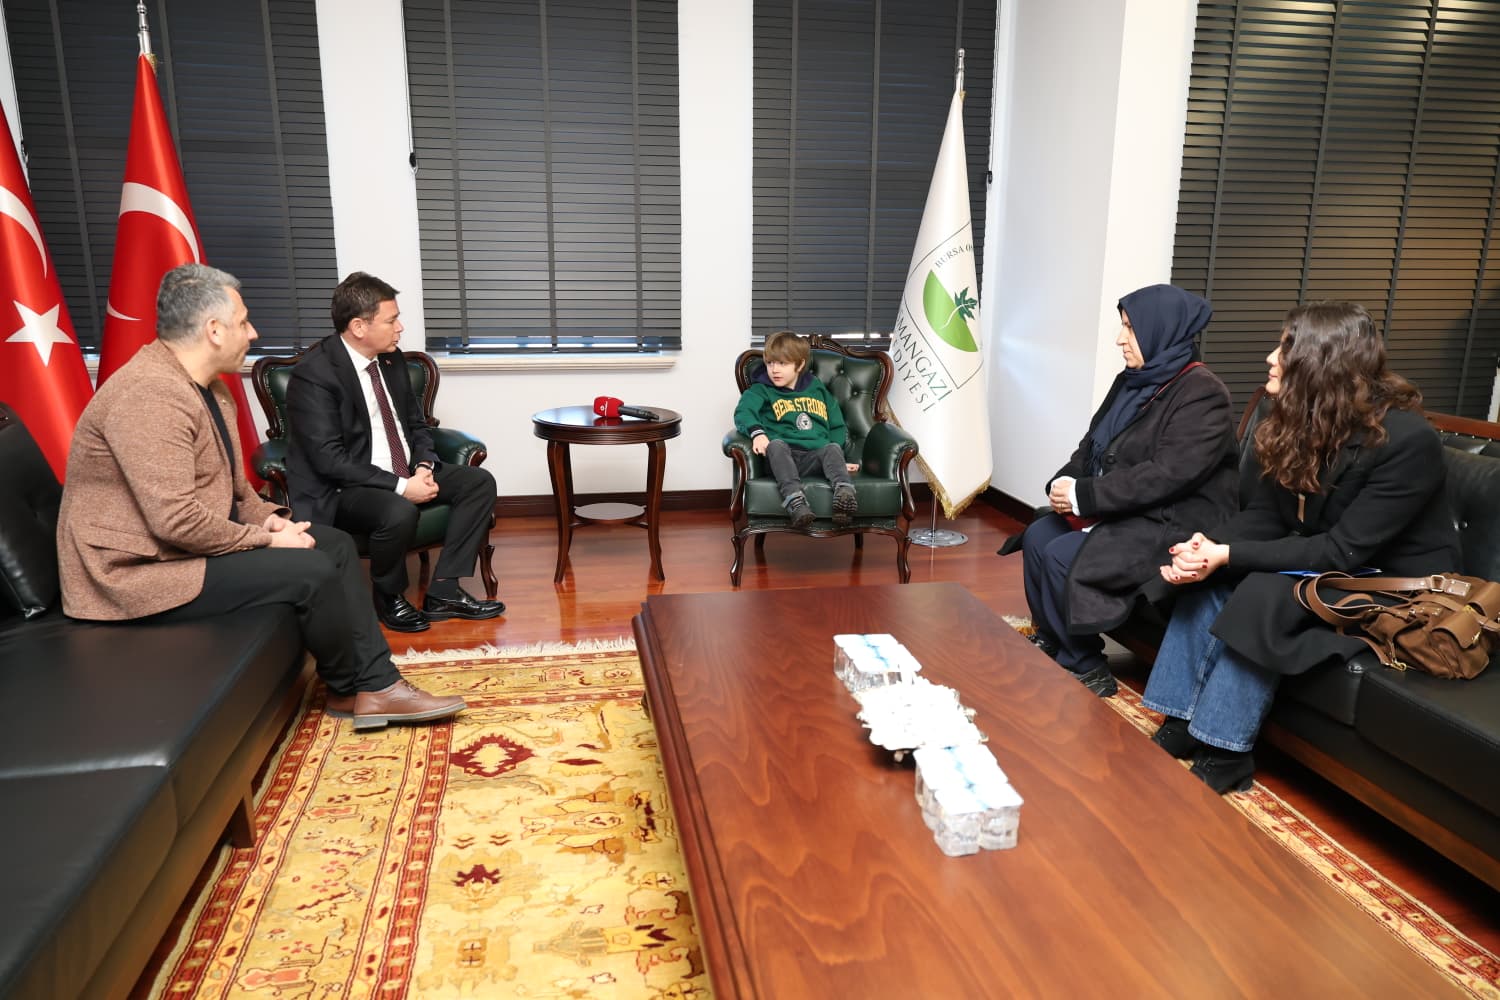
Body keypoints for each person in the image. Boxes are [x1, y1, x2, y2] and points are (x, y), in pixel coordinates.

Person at [56, 263, 465, 731]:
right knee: (312, 568)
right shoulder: (151, 397)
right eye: (244, 322)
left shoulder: (211, 390)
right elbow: (175, 521)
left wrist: (272, 519)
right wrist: (268, 540)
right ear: (214, 330)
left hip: (177, 550)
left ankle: (358, 688)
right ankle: (374, 686)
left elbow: (235, 491)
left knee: (331, 544)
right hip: (133, 572)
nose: (253, 333)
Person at [1142, 301, 1459, 793]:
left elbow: (1342, 552)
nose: (1271, 358)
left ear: (1322, 363)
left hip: (1394, 585)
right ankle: (1182, 719)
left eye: (1285, 350)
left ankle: (1226, 751)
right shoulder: (1308, 418)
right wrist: (1210, 546)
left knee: (1264, 593)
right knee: (1214, 577)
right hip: (1333, 562)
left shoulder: (1407, 440)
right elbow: (1271, 516)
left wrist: (1228, 555)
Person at [1012, 284, 1238, 697]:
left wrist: (1084, 496)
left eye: (1130, 328)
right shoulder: (1133, 381)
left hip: (1174, 520)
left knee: (1064, 554)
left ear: (1160, 330)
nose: (1120, 338)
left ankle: (1085, 664)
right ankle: (1054, 638)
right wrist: (1062, 484)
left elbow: (1167, 475)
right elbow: (1091, 445)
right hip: (1128, 506)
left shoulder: (1203, 393)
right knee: (1039, 535)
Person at [284, 272, 503, 633]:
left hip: (403, 468)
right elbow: (329, 459)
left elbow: (416, 424)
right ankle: (388, 597)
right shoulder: (315, 374)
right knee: (398, 510)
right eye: (391, 320)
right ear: (358, 326)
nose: (400, 328)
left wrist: (423, 465)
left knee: (478, 483)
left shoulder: (391, 359)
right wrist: (402, 487)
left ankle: (444, 591)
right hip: (345, 485)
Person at [733, 330, 860, 530]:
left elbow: (836, 424)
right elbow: (743, 412)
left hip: (814, 457)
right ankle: (796, 503)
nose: (774, 370)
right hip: (782, 458)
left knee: (832, 448)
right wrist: (758, 434)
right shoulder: (761, 389)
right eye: (770, 363)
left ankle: (844, 496)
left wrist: (838, 462)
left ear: (799, 365)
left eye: (782, 363)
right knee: (776, 445)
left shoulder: (816, 388)